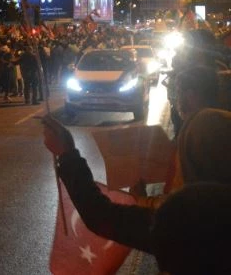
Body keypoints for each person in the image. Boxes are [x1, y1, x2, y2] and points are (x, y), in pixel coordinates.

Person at [41, 107, 231, 256]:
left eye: (180, 152)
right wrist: (142, 200)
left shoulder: (184, 221)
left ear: (192, 161)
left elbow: (101, 215)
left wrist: (67, 154)